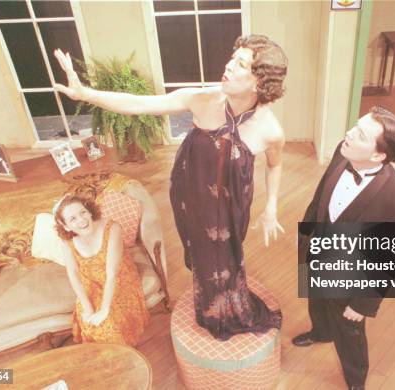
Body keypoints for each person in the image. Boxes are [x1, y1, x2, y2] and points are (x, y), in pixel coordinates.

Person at [53, 34, 287, 340]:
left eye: (240, 63)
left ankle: (228, 305)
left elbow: (275, 164)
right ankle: (209, 307)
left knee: (228, 253)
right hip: (191, 191)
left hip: (232, 199)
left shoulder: (270, 131)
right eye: (233, 57)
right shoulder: (203, 98)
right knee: (203, 253)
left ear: (259, 82)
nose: (228, 65)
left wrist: (271, 208)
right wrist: (85, 94)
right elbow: (140, 105)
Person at [293, 106, 395, 389]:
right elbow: (320, 196)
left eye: (360, 134)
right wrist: (306, 234)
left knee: (349, 332)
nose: (349, 133)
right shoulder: (344, 150)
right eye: (355, 126)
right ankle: (321, 332)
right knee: (317, 300)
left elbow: (391, 261)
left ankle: (355, 380)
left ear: (378, 155)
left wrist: (363, 304)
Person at [54, 194, 150, 345]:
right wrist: (87, 307)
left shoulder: (112, 228)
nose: (82, 220)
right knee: (89, 321)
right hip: (89, 280)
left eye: (83, 212)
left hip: (118, 276)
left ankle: (123, 353)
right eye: (73, 219)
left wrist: (104, 309)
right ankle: (103, 357)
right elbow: (73, 273)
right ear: (66, 226)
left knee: (108, 323)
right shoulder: (67, 240)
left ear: (89, 211)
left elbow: (112, 273)